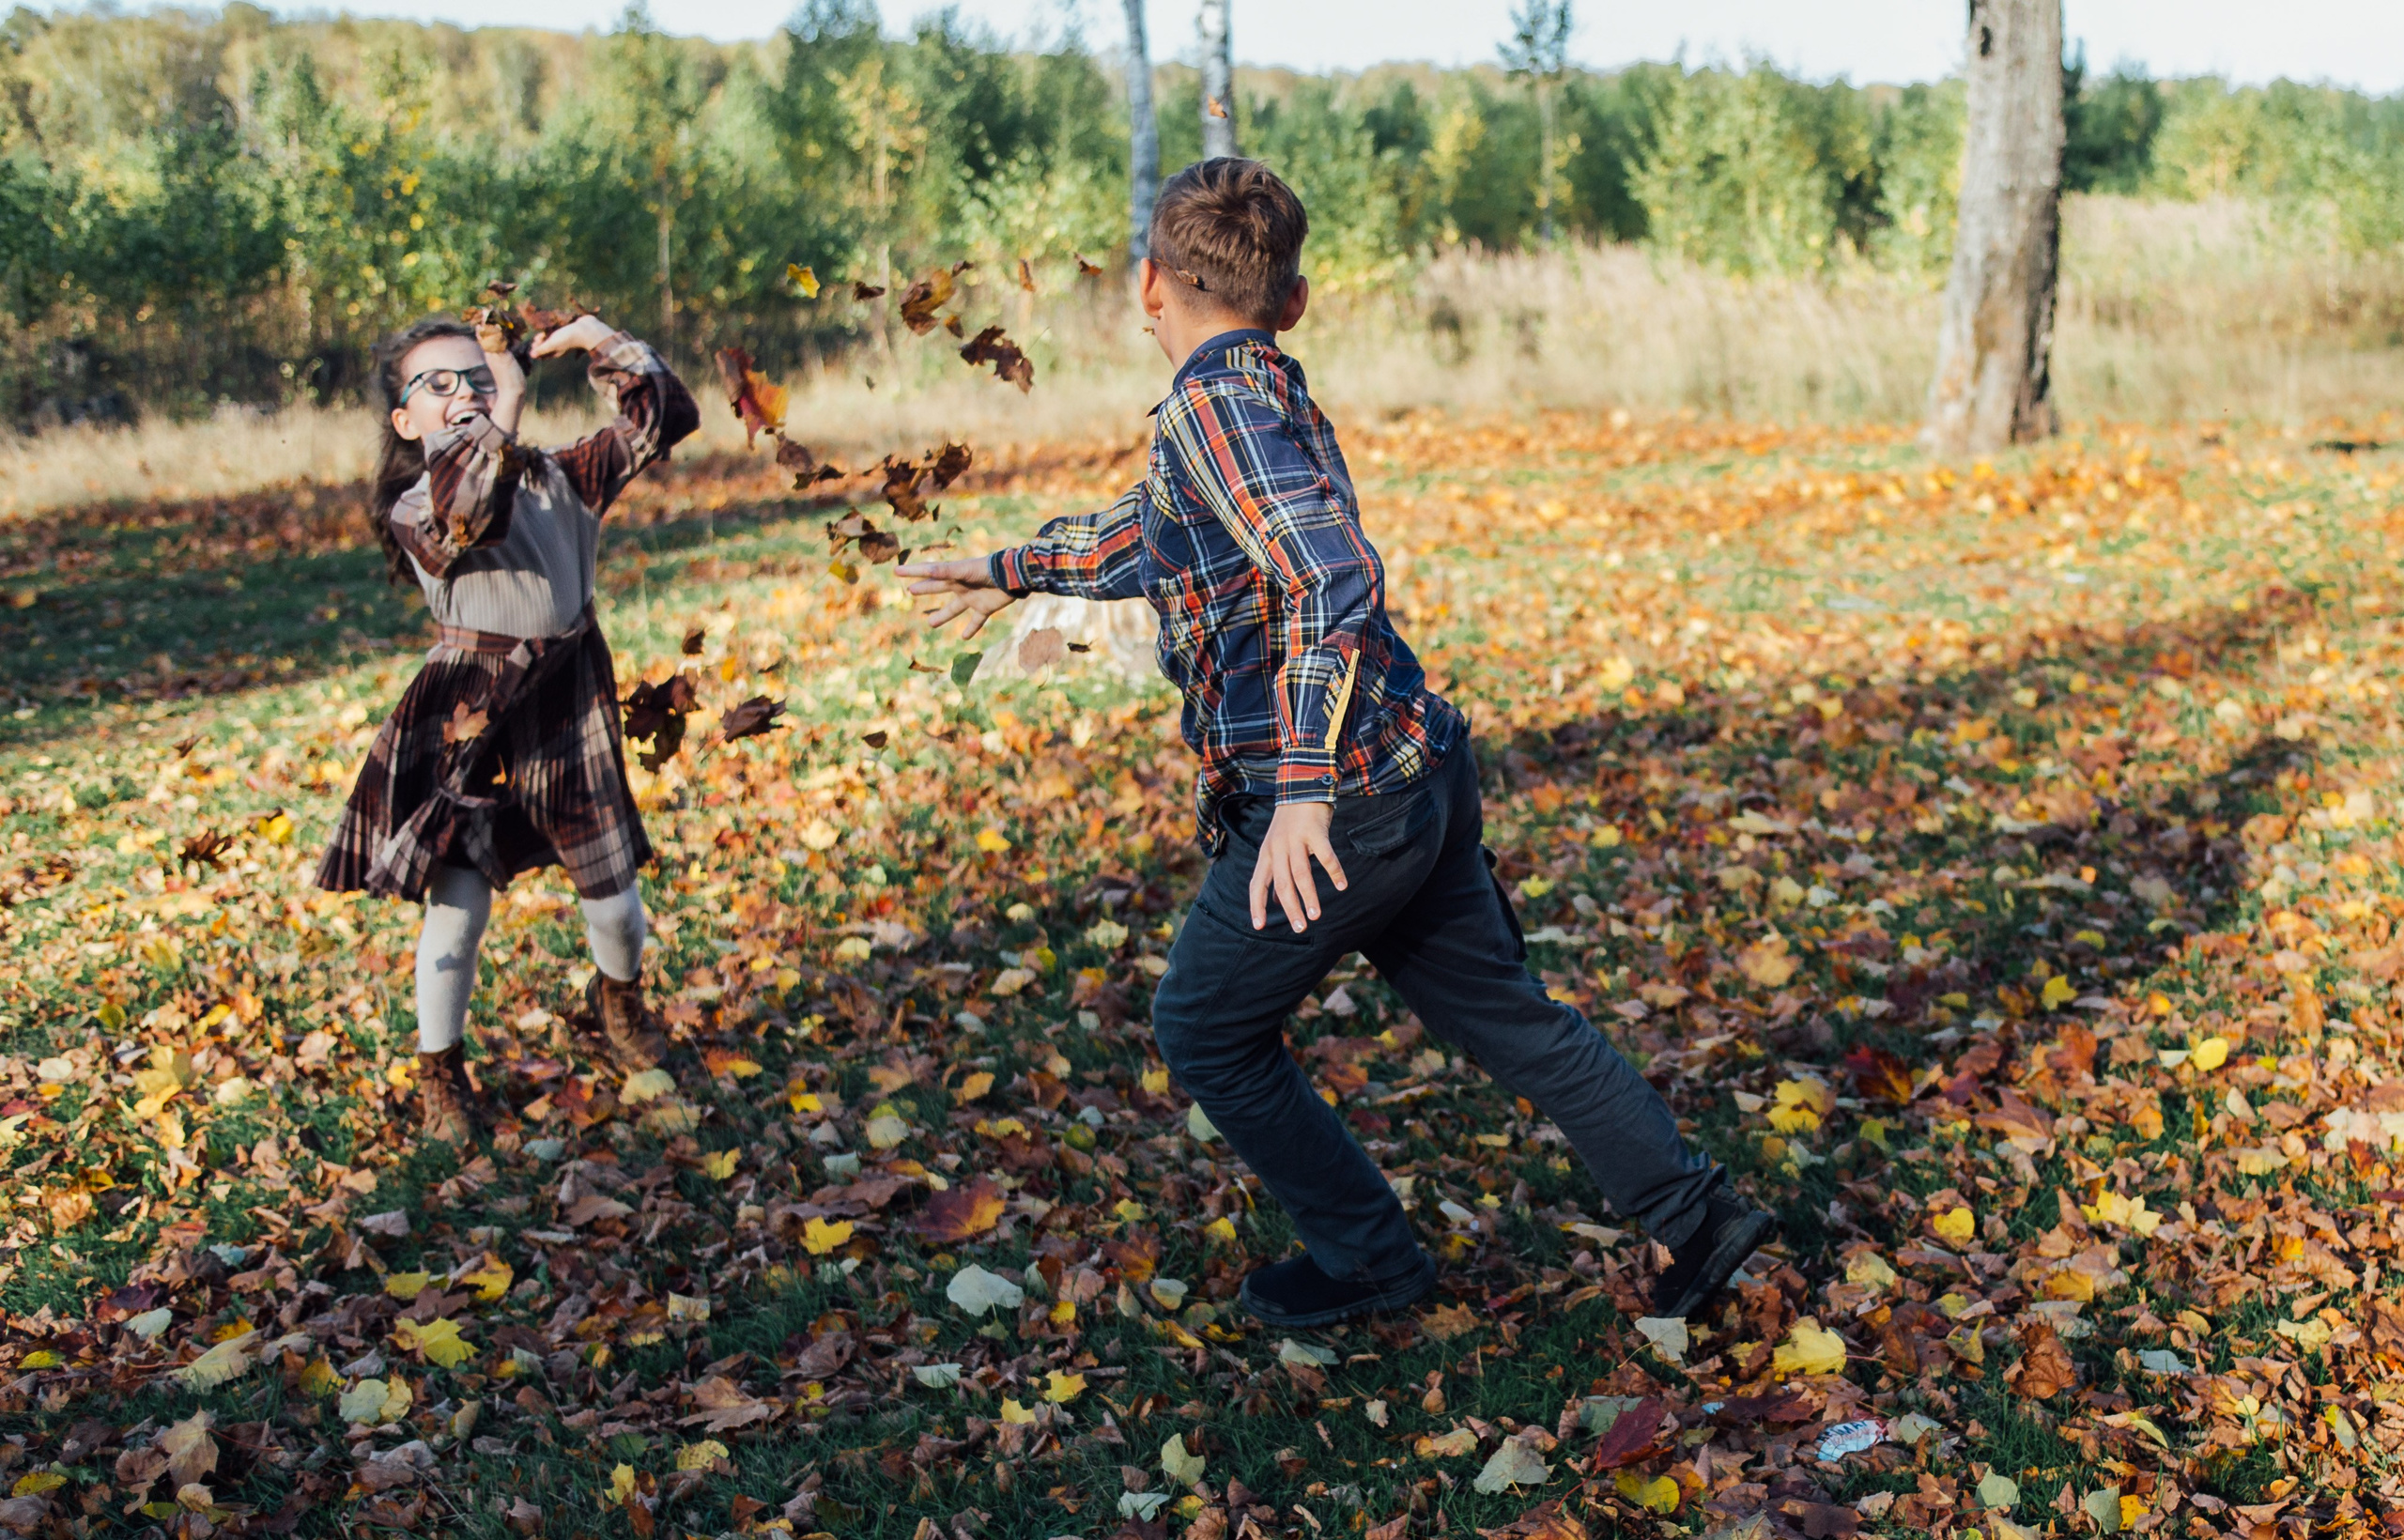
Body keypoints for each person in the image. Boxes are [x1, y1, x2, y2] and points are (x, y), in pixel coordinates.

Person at [899, 158, 1777, 1328]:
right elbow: (1162, 539)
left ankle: (1368, 1259)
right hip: (1413, 768)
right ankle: (1695, 1215)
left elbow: (1329, 573)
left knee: (1204, 1027)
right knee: (1506, 1012)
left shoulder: (1212, 408)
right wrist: (1009, 568)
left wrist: (1302, 791)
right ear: (1293, 301)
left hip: (1343, 803)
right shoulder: (1256, 395)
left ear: (1149, 285)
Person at [317, 310, 699, 1143]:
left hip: (568, 700)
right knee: (457, 913)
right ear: (406, 421)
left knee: (616, 907)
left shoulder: (562, 477)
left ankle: (617, 1000)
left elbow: (665, 415)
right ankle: (440, 1070)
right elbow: (467, 509)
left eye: (479, 376)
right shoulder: (414, 506)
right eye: (439, 384)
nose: (466, 392)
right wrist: (507, 405)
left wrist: (598, 339)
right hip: (472, 720)